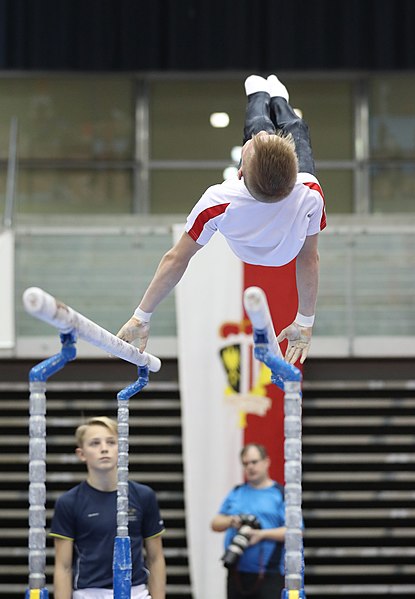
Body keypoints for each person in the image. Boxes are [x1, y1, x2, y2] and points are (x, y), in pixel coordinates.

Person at [117, 74, 326, 365]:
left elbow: (177, 258)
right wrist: (305, 320)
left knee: (260, 129)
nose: (257, 140)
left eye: (248, 147)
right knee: (296, 130)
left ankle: (259, 95)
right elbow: (308, 259)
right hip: (284, 251)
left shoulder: (219, 199)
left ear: (240, 171)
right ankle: (277, 99)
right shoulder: (309, 193)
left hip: (249, 247)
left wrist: (143, 315)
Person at [50, 416, 166, 599]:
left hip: (135, 591)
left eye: (111, 442)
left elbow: (155, 558)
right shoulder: (69, 502)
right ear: (81, 454)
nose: (104, 448)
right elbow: (63, 567)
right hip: (89, 593)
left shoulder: (144, 496)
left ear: (121, 448)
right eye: (95, 443)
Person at [211, 443, 286, 598]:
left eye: (254, 462)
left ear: (266, 462)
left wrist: (260, 534)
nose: (250, 467)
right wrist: (232, 520)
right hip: (236, 573)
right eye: (246, 464)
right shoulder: (237, 492)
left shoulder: (279, 493)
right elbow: (215, 523)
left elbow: (295, 531)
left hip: (269, 574)